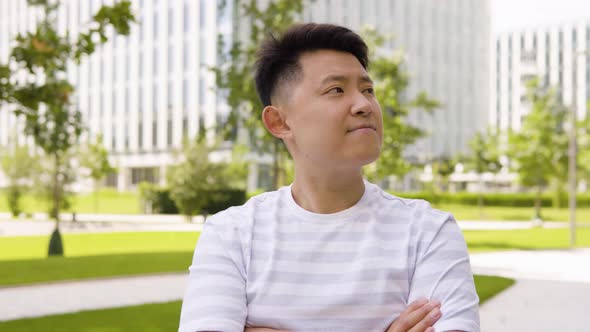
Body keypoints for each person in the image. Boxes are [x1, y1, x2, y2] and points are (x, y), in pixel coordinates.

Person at [179, 23, 480, 332]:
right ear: (280, 122)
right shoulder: (231, 235)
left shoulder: (428, 231)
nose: (364, 105)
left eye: (368, 90)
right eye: (336, 90)